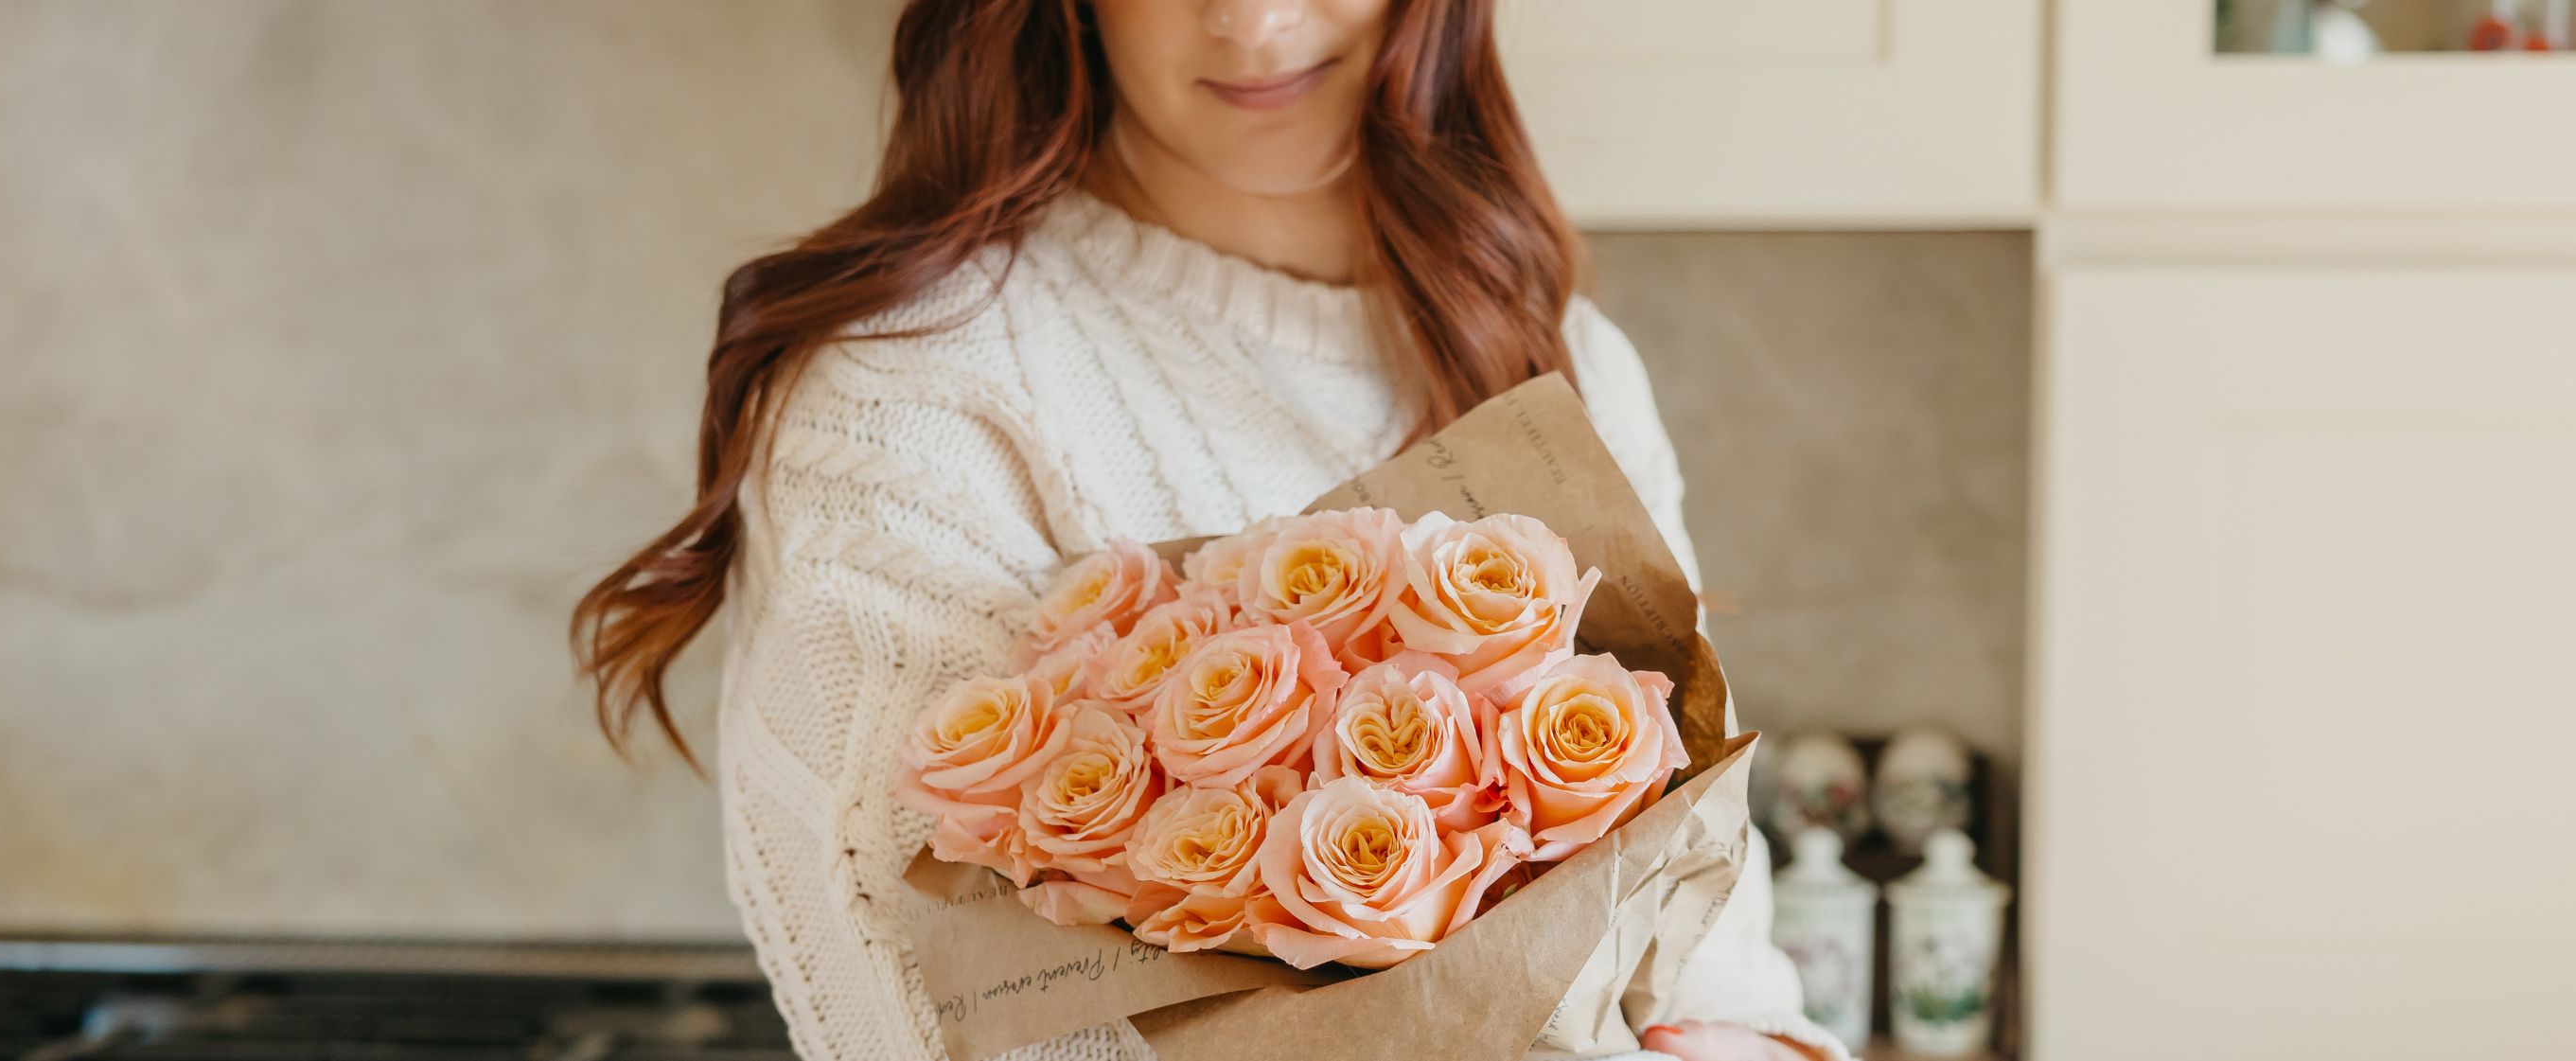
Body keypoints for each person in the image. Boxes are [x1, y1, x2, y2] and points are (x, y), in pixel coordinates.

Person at [573, 2, 1847, 1058]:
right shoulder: (915, 393)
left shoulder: (1568, 362)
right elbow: (919, 1012)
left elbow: (1719, 972)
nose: (1254, 20)